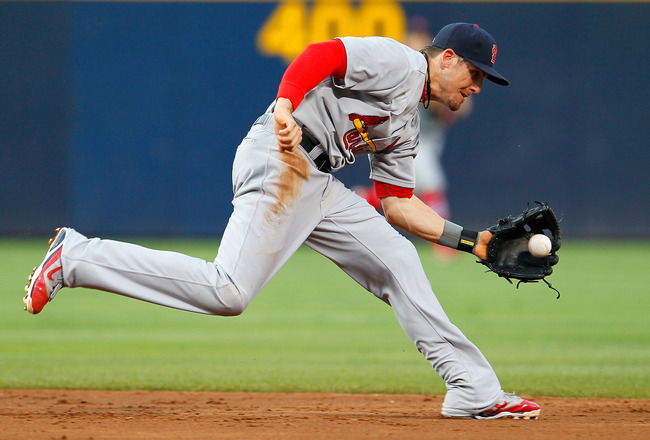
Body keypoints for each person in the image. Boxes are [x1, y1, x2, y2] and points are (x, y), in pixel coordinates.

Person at [24, 23, 541, 420]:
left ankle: (474, 389)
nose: (477, 86)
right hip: (280, 158)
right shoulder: (401, 64)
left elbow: (397, 205)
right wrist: (286, 107)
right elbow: (323, 55)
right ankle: (75, 257)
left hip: (318, 184)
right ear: (447, 59)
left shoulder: (407, 121)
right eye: (475, 74)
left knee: (398, 259)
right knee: (228, 292)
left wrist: (474, 242)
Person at [355, 17, 473, 261]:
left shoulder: (438, 73)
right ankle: (445, 244)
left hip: (430, 141)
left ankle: (360, 201)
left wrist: (445, 102)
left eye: (420, 40)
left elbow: (463, 109)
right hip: (407, 139)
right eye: (412, 40)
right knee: (432, 185)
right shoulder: (400, 70)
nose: (415, 44)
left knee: (403, 191)